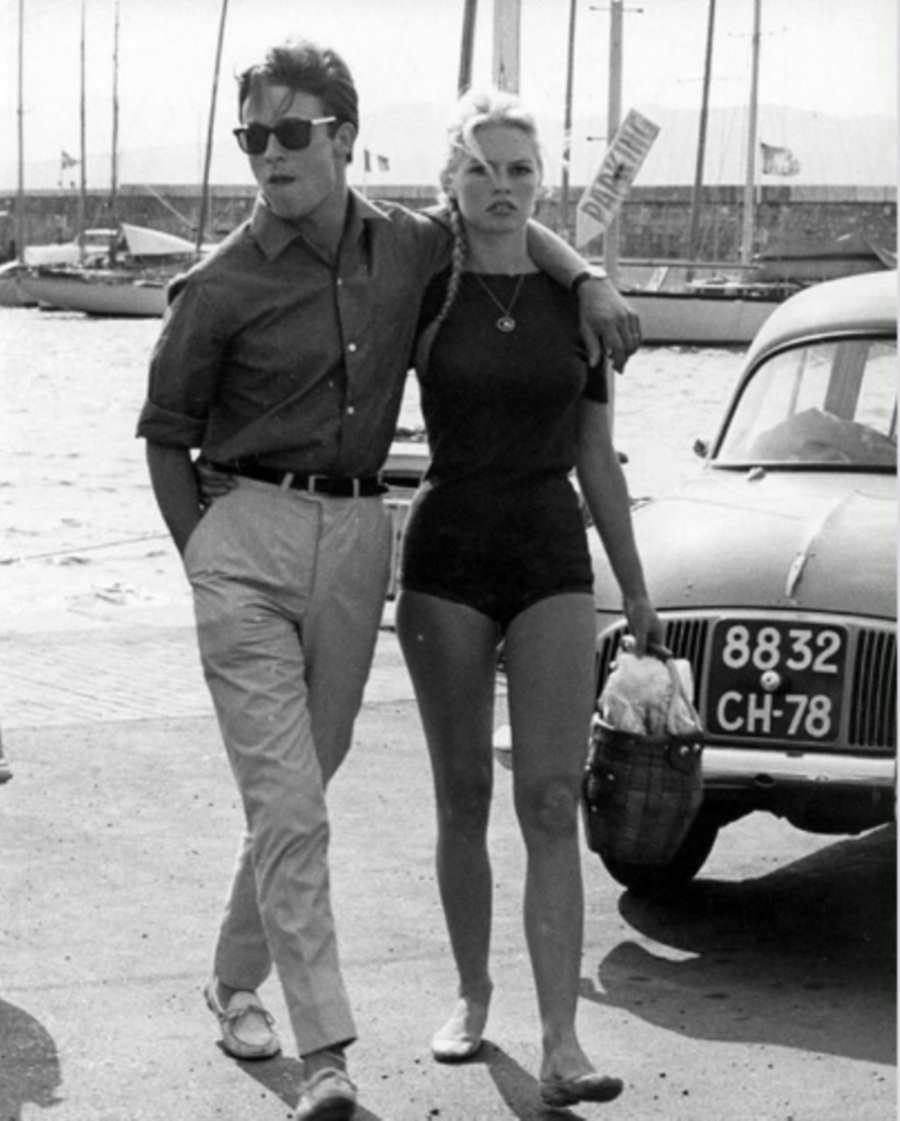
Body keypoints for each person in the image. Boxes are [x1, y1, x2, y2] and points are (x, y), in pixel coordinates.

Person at [136, 38, 640, 1121]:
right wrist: (207, 558)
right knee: (302, 804)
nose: (269, 152)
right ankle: (329, 1053)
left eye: (291, 132)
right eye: (253, 136)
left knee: (307, 783)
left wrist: (588, 275)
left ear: (345, 140)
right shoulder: (222, 284)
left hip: (368, 535)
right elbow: (165, 431)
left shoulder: (409, 248)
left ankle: (233, 977)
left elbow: (506, 220)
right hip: (261, 536)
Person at [395, 89, 664, 1110]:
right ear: (450, 182)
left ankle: (562, 1038)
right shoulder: (425, 288)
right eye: (481, 169)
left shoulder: (577, 304)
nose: (501, 187)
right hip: (448, 555)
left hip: (551, 550)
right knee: (462, 794)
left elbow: (598, 457)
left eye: (520, 170)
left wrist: (636, 587)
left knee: (552, 798)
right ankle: (472, 992)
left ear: (542, 182)